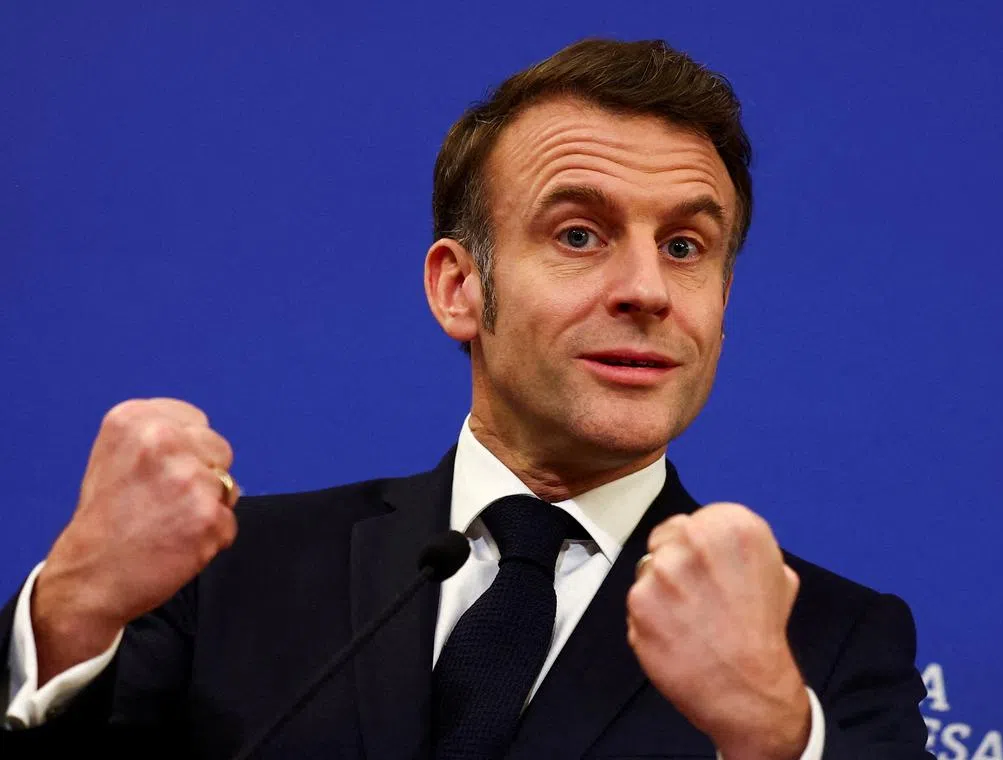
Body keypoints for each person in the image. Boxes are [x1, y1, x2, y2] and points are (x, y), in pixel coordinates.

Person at [1, 39, 932, 759]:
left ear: (722, 300)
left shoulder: (829, 642)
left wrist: (771, 732)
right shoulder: (224, 579)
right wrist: (75, 610)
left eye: (687, 248)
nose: (648, 290)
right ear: (460, 289)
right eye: (579, 234)